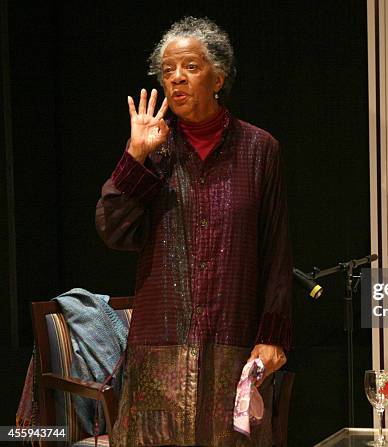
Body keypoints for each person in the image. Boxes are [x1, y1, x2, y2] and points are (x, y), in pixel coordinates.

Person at [95, 16, 292, 447]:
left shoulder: (260, 150)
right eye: (167, 72)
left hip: (232, 339)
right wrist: (135, 156)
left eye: (189, 67)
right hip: (160, 344)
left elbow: (276, 251)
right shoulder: (155, 149)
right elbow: (114, 231)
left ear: (218, 77)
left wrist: (273, 335)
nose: (176, 79)